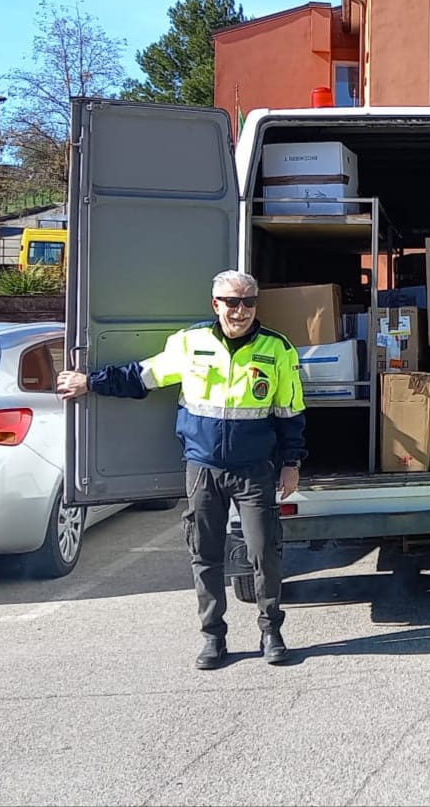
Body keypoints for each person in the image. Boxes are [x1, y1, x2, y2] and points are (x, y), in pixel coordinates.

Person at [57, 270, 306, 670]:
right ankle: (213, 637)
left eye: (247, 302)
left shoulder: (277, 348)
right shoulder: (190, 343)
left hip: (254, 470)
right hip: (203, 467)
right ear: (215, 305)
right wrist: (91, 381)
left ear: (256, 304)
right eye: (231, 301)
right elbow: (142, 377)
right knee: (205, 554)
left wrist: (292, 463)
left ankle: (271, 631)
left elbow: (290, 412)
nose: (239, 310)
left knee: (264, 552)